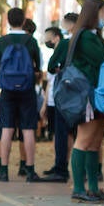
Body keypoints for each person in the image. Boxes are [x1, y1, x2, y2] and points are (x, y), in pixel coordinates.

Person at [47, 0, 104, 202]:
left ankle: (92, 187)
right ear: (95, 13)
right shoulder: (85, 37)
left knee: (94, 143)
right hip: (87, 95)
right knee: (83, 140)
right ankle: (79, 188)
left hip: (95, 93)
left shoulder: (91, 36)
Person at [0, 7, 43, 182]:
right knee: (28, 129)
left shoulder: (1, 41)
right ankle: (30, 169)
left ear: (8, 21)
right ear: (23, 21)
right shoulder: (31, 40)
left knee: (6, 128)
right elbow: (38, 66)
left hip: (7, 89)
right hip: (27, 88)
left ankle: (4, 170)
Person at [40, 25, 70, 182]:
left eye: (49, 38)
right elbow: (50, 81)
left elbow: (51, 67)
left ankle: (62, 168)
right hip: (54, 99)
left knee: (64, 134)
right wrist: (45, 104)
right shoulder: (60, 52)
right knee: (58, 134)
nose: (47, 41)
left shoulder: (64, 47)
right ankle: (59, 164)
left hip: (63, 99)